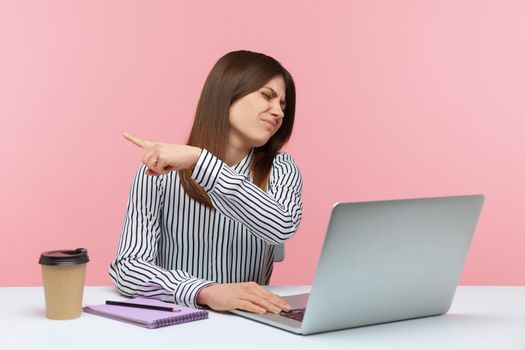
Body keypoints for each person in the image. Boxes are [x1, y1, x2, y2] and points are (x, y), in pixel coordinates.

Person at [109, 50, 303, 315]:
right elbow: (128, 268)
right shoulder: (157, 174)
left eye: (283, 104)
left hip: (252, 324)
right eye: (267, 96)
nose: (278, 112)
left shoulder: (282, 168)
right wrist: (206, 292)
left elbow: (280, 225)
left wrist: (201, 161)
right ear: (227, 94)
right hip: (178, 321)